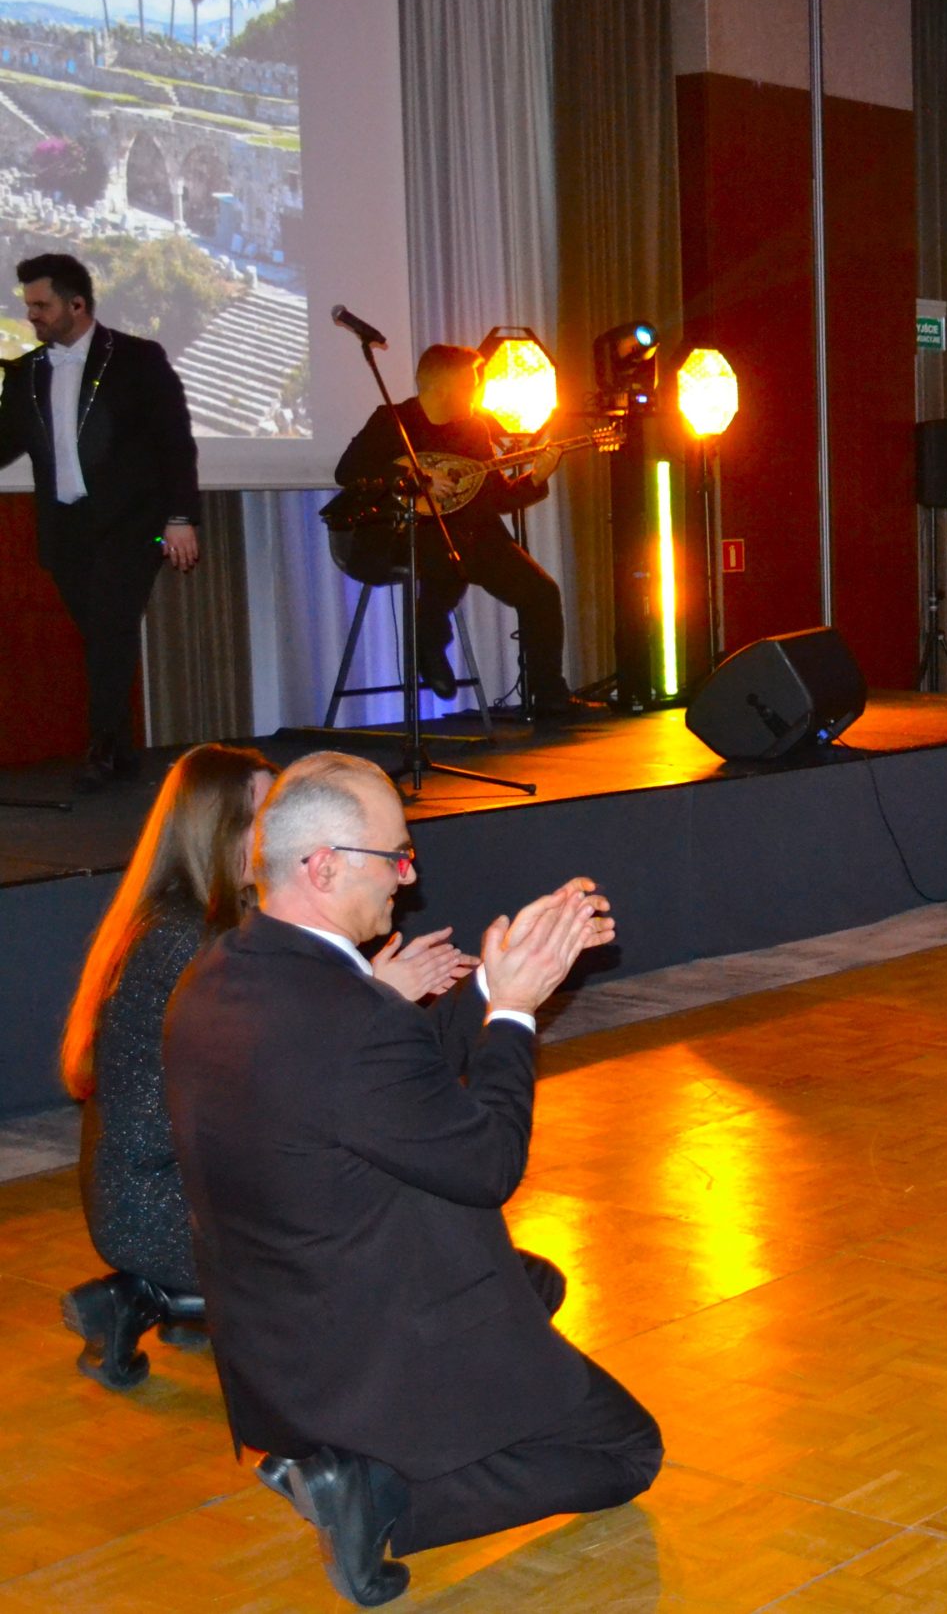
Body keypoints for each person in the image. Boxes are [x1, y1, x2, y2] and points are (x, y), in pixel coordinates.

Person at [164, 753, 656, 1606]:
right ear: (323, 866)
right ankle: (381, 1493)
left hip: (273, 1341)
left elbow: (378, 1091)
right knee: (626, 1447)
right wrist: (515, 1012)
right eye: (394, 856)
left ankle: (370, 1453)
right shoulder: (349, 1021)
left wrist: (491, 984)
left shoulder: (215, 976)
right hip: (366, 1346)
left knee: (535, 1282)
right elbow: (486, 1162)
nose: (409, 875)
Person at [60, 745, 267, 1387]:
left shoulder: (177, 916)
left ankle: (172, 1301)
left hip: (144, 1190)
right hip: (159, 1207)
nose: (284, 832)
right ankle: (144, 1297)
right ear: (221, 829)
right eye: (268, 817)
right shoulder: (188, 938)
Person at [0, 253, 201, 788]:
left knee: (110, 627)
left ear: (76, 304)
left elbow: (174, 442)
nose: (31, 315)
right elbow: (4, 441)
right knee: (102, 637)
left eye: (41, 305)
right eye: (28, 306)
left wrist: (180, 517)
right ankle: (121, 749)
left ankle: (102, 749)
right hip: (66, 528)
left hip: (131, 524)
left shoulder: (136, 359)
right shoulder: (27, 372)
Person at [324, 344, 587, 717]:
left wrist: (535, 477)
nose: (477, 393)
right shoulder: (392, 421)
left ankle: (549, 695)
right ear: (445, 385)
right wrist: (417, 477)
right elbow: (348, 472)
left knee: (541, 592)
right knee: (448, 552)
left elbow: (496, 497)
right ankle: (430, 639)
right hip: (397, 534)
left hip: (472, 535)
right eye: (471, 383)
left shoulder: (473, 429)